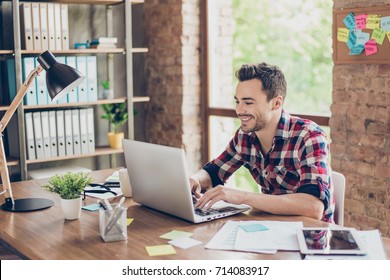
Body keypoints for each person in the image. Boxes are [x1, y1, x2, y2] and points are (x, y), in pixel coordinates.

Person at [189, 62, 334, 223]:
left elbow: (313, 208)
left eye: (248, 102)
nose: (239, 110)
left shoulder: (309, 136)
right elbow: (214, 172)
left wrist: (242, 196)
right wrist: (195, 179)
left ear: (276, 103)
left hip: (311, 237)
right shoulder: (245, 136)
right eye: (237, 101)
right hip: (270, 228)